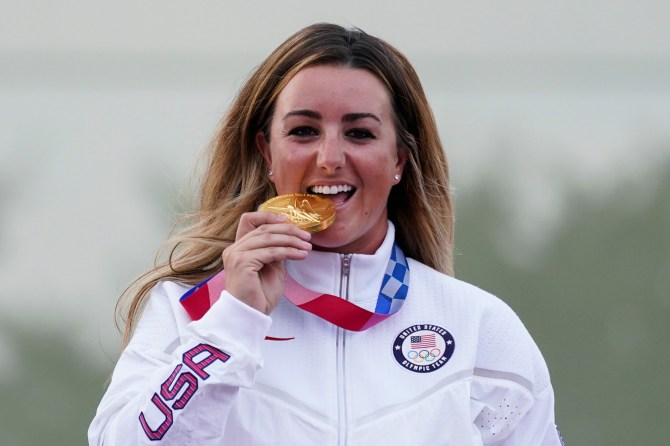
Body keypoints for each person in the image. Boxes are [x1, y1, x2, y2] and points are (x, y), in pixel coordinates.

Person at [88, 23, 563, 445]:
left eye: (359, 134)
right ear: (267, 153)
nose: (330, 158)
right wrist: (233, 324)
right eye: (303, 131)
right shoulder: (190, 311)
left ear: (399, 160)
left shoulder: (478, 327)